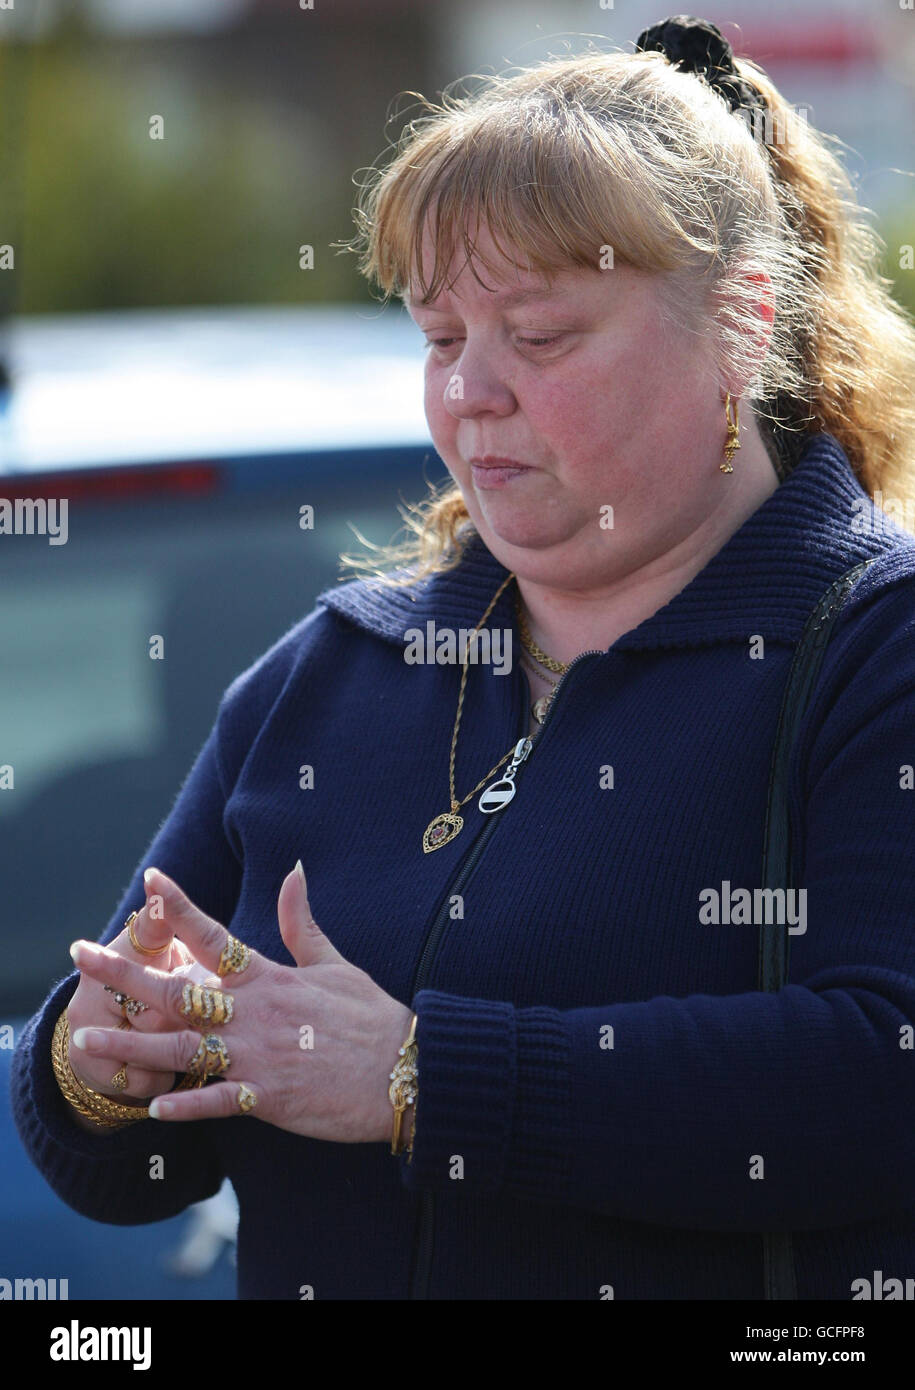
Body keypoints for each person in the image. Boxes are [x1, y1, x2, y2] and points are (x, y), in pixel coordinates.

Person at [12, 17, 915, 1300]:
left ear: (740, 328)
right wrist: (90, 1069)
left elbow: (884, 1069)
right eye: (440, 338)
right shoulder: (328, 670)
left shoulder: (876, 648)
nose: (469, 393)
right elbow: (125, 1168)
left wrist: (422, 1077)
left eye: (538, 336)